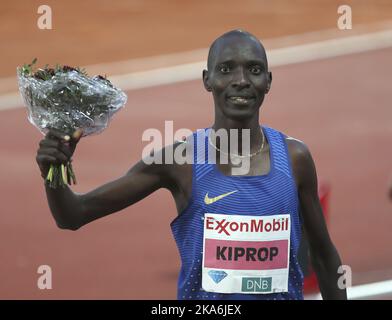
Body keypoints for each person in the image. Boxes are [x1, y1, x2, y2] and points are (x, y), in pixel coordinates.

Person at [36, 30, 346, 300]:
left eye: (253, 69)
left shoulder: (296, 159)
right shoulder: (179, 161)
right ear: (207, 80)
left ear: (268, 81)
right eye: (226, 69)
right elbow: (72, 215)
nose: (241, 81)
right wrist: (54, 171)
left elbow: (323, 255)